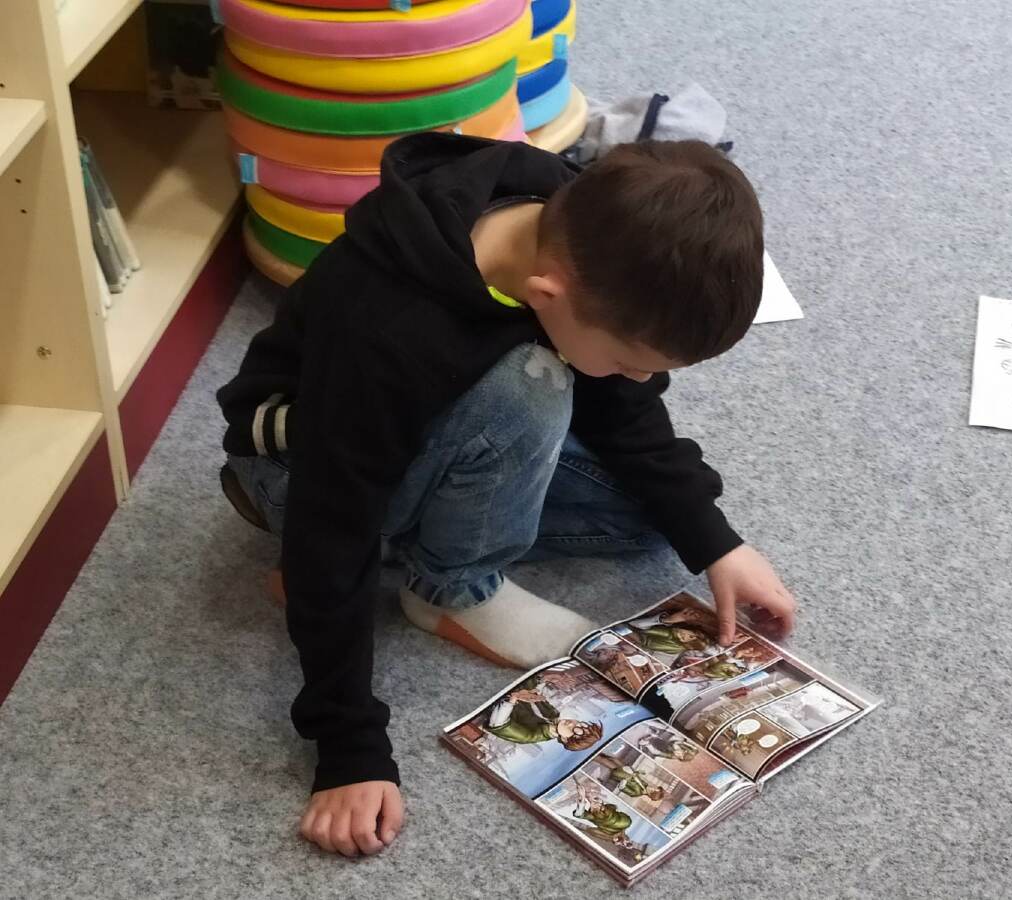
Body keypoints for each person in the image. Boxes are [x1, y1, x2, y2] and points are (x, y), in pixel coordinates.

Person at [216, 133, 796, 857]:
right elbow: (334, 516)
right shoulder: (388, 328)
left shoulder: (581, 225)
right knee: (534, 385)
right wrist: (349, 748)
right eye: (628, 361)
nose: (641, 379)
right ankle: (449, 588)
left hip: (423, 422)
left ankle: (387, 558)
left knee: (650, 516)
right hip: (298, 469)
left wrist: (717, 541)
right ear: (547, 296)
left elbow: (626, 410)